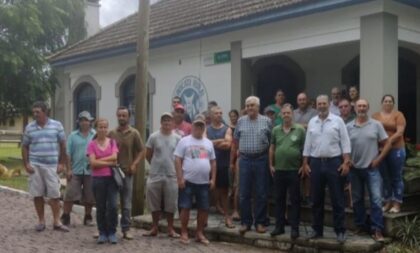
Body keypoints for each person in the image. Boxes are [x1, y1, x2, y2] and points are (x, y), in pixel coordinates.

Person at [302, 95, 351, 243]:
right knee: (316, 199)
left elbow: (345, 141)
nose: (321, 106)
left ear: (328, 104)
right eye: (319, 104)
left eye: (324, 103)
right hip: (316, 163)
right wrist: (305, 163)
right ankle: (317, 229)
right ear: (316, 105)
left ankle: (340, 231)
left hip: (334, 162)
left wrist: (346, 162)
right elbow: (308, 144)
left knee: (337, 199)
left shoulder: (338, 120)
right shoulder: (312, 121)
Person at [347, 99, 392, 242]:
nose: (361, 108)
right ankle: (361, 226)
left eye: (364, 106)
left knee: (377, 200)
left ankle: (377, 230)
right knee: (357, 199)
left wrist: (378, 159)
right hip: (354, 169)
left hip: (372, 169)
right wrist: (347, 159)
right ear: (355, 108)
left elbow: (387, 143)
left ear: (368, 108)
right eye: (359, 106)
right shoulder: (348, 126)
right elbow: (344, 146)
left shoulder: (376, 125)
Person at [22, 101, 69, 232]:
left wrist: (61, 163)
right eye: (34, 112)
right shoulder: (29, 127)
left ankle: (57, 222)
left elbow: (63, 145)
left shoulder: (57, 125)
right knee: (37, 194)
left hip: (52, 165)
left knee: (54, 194)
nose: (35, 114)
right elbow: (24, 146)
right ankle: (41, 221)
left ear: (45, 112)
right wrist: (26, 163)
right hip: (35, 165)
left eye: (38, 112)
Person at [231, 96, 272, 235]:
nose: (249, 108)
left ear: (258, 107)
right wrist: (236, 158)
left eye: (252, 105)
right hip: (245, 160)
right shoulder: (241, 121)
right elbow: (235, 141)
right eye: (247, 105)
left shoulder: (267, 121)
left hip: (261, 159)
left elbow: (271, 142)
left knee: (261, 193)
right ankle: (246, 222)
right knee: (244, 193)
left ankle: (259, 222)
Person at [174, 119, 216, 245]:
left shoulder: (208, 143)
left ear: (204, 128)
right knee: (185, 207)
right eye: (196, 125)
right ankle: (184, 232)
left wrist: (213, 178)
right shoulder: (184, 141)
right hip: (188, 181)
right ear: (192, 127)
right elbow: (177, 160)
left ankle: (199, 233)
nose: (199, 128)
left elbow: (213, 162)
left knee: (203, 208)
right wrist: (180, 178)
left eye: (201, 126)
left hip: (204, 183)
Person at [269, 104, 305, 239]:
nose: (286, 115)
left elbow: (305, 149)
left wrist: (304, 164)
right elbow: (272, 148)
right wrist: (270, 164)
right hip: (279, 170)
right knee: (279, 199)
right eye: (283, 113)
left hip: (294, 170)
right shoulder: (275, 130)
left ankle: (295, 229)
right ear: (280, 115)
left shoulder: (300, 130)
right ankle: (279, 227)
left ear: (292, 114)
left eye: (288, 113)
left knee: (295, 200)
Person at [108, 106, 145, 240]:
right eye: (119, 115)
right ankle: (109, 228)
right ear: (117, 116)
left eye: (124, 115)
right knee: (112, 203)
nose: (121, 118)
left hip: (127, 173)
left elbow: (142, 150)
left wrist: (135, 164)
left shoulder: (134, 133)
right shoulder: (111, 133)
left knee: (126, 203)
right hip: (112, 172)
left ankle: (126, 229)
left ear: (128, 117)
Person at [144, 112, 181, 237]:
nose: (167, 123)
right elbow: (148, 154)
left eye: (169, 120)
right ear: (161, 122)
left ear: (173, 123)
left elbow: (180, 157)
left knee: (171, 203)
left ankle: (170, 229)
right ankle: (154, 227)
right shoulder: (153, 137)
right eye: (164, 120)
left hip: (172, 174)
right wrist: (155, 165)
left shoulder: (177, 138)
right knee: (154, 202)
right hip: (155, 174)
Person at [372, 94, 406, 214]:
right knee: (385, 177)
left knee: (396, 177)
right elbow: (373, 131)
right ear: (382, 103)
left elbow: (400, 132)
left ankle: (397, 203)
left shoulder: (398, 115)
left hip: (396, 149)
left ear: (393, 103)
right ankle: (388, 202)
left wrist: (388, 141)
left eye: (390, 101)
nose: (388, 103)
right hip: (381, 151)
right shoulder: (375, 116)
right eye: (386, 101)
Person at [61, 111, 96, 227]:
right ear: (78, 122)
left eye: (87, 120)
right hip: (75, 170)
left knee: (89, 196)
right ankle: (65, 216)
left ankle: (88, 216)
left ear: (90, 122)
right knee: (69, 194)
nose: (84, 122)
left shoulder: (94, 135)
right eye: (82, 120)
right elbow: (68, 153)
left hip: (90, 170)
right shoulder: (72, 135)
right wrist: (68, 169)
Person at [87, 118, 119, 244]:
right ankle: (102, 232)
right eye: (100, 127)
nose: (103, 129)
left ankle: (112, 232)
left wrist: (99, 160)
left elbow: (115, 159)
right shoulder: (92, 144)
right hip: (98, 179)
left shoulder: (112, 142)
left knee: (112, 206)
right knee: (100, 207)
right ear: (96, 128)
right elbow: (92, 163)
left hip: (111, 179)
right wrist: (108, 162)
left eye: (105, 127)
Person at [206, 106, 235, 228]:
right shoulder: (206, 129)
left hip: (223, 165)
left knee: (223, 192)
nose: (219, 115)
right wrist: (220, 141)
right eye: (216, 113)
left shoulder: (227, 129)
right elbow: (204, 145)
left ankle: (227, 218)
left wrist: (212, 142)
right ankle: (204, 218)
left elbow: (228, 145)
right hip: (209, 165)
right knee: (209, 192)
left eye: (220, 113)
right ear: (211, 115)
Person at [228, 109, 240, 221]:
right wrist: (232, 162)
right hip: (237, 160)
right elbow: (233, 146)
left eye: (234, 116)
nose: (233, 117)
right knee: (235, 186)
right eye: (231, 116)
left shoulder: (240, 126)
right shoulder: (231, 129)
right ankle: (234, 210)